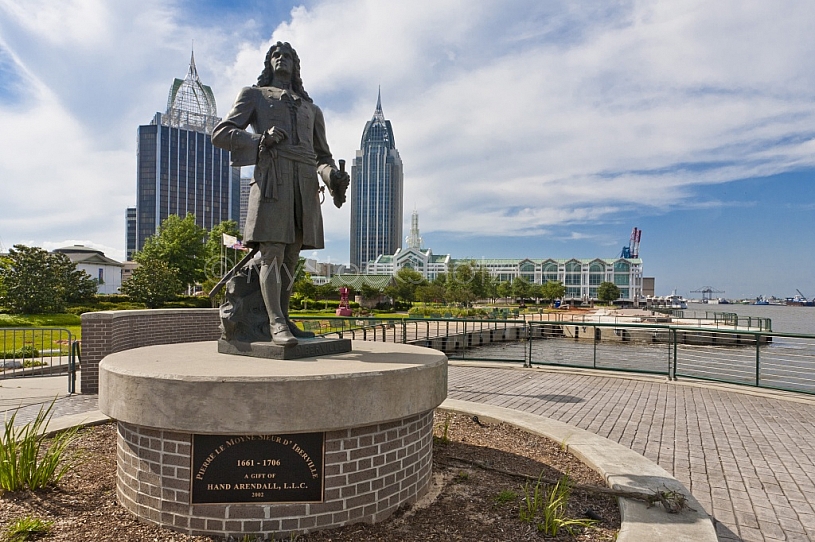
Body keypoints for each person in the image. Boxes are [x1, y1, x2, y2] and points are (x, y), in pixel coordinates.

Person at [212, 42, 349, 346]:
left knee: (289, 258)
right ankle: (275, 323)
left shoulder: (311, 109)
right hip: (273, 180)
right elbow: (221, 133)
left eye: (287, 56)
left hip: (303, 186)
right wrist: (260, 139)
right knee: (272, 254)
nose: (281, 59)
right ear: (268, 63)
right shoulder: (254, 96)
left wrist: (333, 177)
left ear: (295, 65)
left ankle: (283, 317)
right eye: (275, 55)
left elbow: (322, 157)